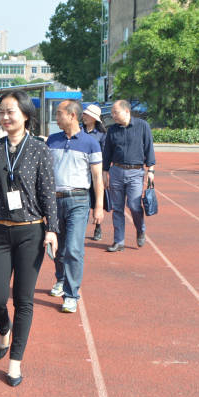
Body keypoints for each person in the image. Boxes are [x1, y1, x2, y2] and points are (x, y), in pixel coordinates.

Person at [0, 90, 59, 387]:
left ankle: (15, 361)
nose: (5, 116)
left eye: (11, 111)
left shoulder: (39, 149)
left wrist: (52, 230)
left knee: (24, 299)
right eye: (2, 111)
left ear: (25, 115)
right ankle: (4, 329)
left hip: (31, 231)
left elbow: (48, 191)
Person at [47, 100, 104, 314]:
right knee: (58, 248)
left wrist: (98, 206)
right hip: (54, 201)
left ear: (72, 115)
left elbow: (97, 178)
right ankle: (61, 279)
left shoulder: (91, 143)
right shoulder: (52, 141)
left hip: (79, 201)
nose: (56, 117)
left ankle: (71, 294)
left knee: (73, 248)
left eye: (59, 113)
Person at [102, 100, 156, 252]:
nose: (113, 116)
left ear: (127, 111)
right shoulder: (112, 130)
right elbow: (107, 153)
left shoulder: (142, 126)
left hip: (135, 172)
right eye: (112, 113)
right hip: (116, 171)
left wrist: (151, 170)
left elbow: (149, 148)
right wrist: (105, 172)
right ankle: (119, 241)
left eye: (115, 113)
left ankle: (140, 228)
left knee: (133, 205)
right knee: (117, 208)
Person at [81, 104, 107, 241]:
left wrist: (104, 173)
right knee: (83, 200)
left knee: (97, 200)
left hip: (95, 173)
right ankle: (80, 227)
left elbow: (104, 155)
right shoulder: (79, 131)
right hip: (80, 172)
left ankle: (98, 227)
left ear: (94, 118)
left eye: (87, 114)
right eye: (84, 114)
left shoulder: (102, 135)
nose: (84, 116)